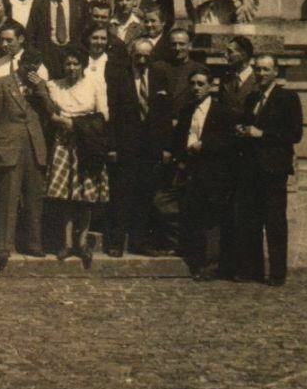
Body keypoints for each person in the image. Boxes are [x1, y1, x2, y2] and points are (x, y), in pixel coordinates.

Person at [234, 55, 304, 286]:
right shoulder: (252, 97)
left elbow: (295, 134)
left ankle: (277, 273)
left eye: (266, 69)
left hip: (273, 169)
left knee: (274, 221)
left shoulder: (288, 98)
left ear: (276, 72)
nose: (261, 74)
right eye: (258, 69)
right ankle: (252, 270)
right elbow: (249, 125)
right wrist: (243, 129)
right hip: (250, 168)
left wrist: (261, 134)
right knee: (251, 220)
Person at [105, 38, 176, 258]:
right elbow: (112, 114)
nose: (142, 60)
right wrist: (112, 146)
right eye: (138, 56)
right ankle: (116, 242)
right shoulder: (120, 77)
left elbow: (165, 115)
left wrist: (166, 147)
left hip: (151, 149)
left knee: (144, 197)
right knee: (121, 195)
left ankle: (138, 242)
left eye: (147, 56)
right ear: (131, 55)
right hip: (126, 147)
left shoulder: (159, 76)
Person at [40, 47, 110, 270]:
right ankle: (67, 242)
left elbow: (103, 115)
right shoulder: (54, 86)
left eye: (75, 64)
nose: (71, 68)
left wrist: (76, 124)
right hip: (64, 142)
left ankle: (82, 242)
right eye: (67, 64)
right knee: (66, 194)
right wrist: (62, 122)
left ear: (82, 65)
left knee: (85, 195)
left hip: (87, 141)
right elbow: (51, 112)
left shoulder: (95, 83)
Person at [0, 51, 48, 271]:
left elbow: (51, 111)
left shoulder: (40, 85)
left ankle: (34, 243)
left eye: (35, 66)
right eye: (28, 65)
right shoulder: (2, 83)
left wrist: (41, 90)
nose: (31, 69)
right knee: (8, 197)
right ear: (20, 63)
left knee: (34, 196)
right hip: (9, 146)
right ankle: (3, 246)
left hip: (34, 146)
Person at [175, 68, 240, 281]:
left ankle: (212, 266)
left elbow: (229, 141)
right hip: (191, 171)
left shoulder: (222, 112)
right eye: (192, 84)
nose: (196, 88)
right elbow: (180, 137)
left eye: (201, 84)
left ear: (211, 86)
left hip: (214, 173)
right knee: (194, 217)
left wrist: (205, 145)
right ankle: (196, 262)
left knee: (212, 220)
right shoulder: (186, 111)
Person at [26, 0, 88, 68]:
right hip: (47, 57)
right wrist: (36, 57)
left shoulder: (80, 2)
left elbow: (86, 30)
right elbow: (31, 32)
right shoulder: (39, 3)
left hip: (73, 58)